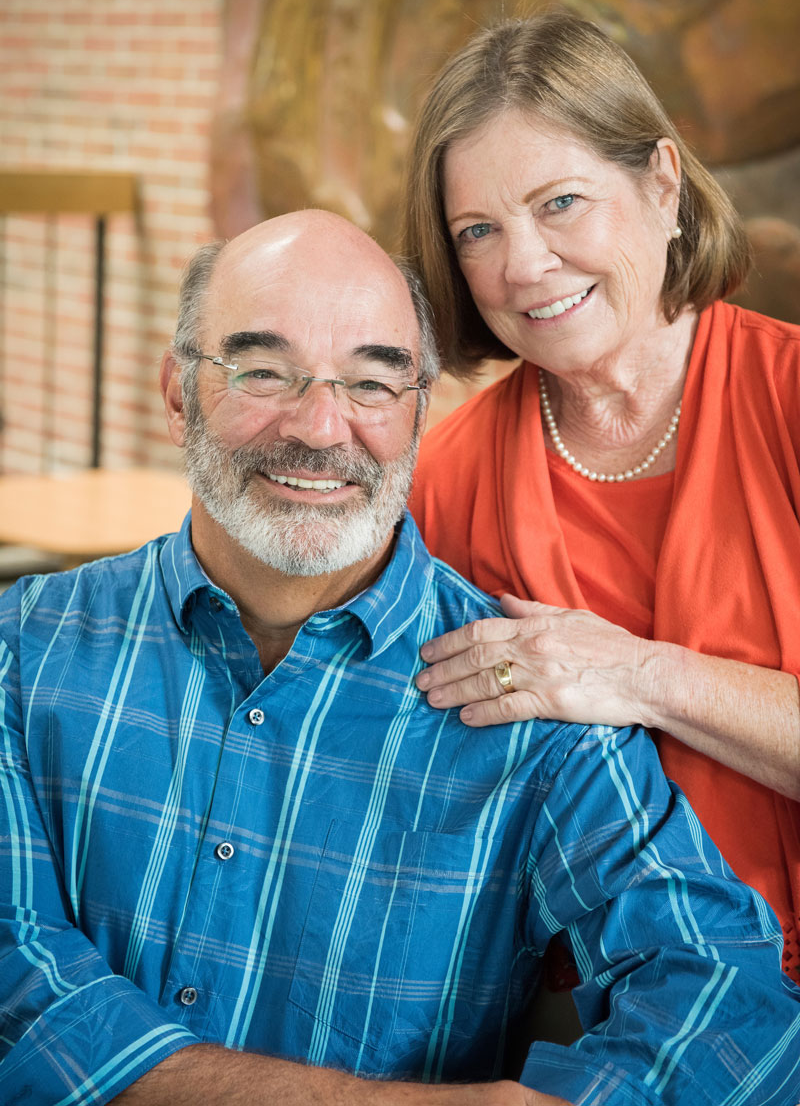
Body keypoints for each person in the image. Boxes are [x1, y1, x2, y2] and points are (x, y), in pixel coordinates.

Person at [1, 211, 799, 1106]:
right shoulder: (18, 652)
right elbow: (14, 986)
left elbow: (734, 1001)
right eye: (263, 370)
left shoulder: (532, 704)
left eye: (374, 382)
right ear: (180, 387)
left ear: (420, 411)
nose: (320, 426)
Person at [403, 10, 800, 989]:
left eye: (560, 202)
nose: (522, 264)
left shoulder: (785, 401)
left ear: (661, 184)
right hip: (582, 1012)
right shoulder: (447, 475)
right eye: (477, 231)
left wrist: (637, 676)